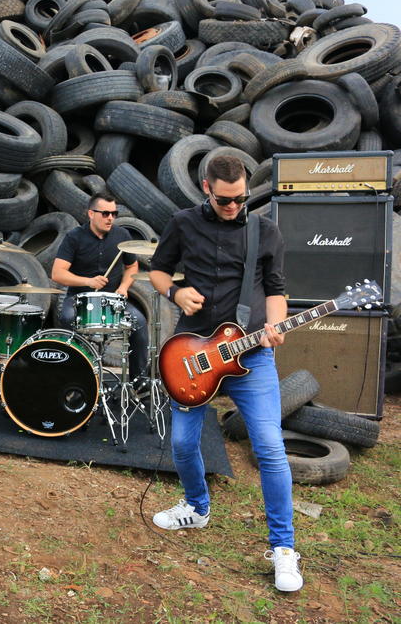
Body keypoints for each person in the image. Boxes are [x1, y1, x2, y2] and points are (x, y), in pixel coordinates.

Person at [148, 155, 302, 592]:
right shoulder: (181, 223)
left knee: (270, 448)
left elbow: (276, 289)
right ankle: (196, 508)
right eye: (224, 200)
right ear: (205, 188)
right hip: (192, 352)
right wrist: (176, 293)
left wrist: (274, 325)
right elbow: (157, 271)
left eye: (240, 199)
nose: (233, 207)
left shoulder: (265, 230)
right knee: (181, 441)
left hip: (249, 355)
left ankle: (284, 549)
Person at [51, 191, 149, 379]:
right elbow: (58, 273)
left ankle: (140, 383)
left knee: (140, 324)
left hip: (113, 299)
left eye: (114, 214)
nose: (110, 218)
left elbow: (132, 267)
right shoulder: (74, 237)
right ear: (91, 214)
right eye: (105, 213)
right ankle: (76, 378)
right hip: (79, 298)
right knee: (68, 319)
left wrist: (123, 288)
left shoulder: (122, 235)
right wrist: (87, 281)